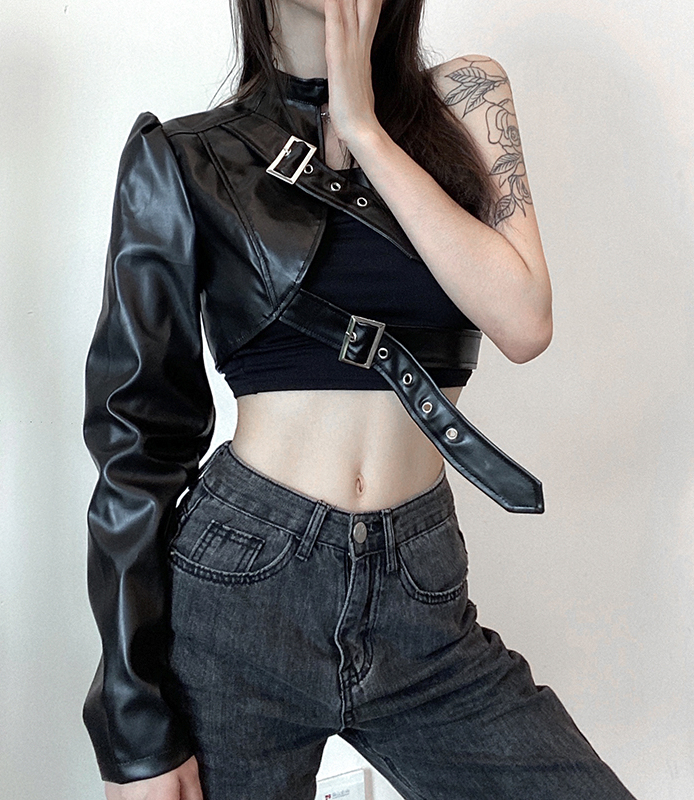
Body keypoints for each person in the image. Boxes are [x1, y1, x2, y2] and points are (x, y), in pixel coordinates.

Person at [82, 1, 638, 798]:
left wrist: (364, 128)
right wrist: (133, 726)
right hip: (241, 589)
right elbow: (138, 442)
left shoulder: (466, 100)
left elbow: (524, 322)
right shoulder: (187, 157)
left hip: (420, 592)